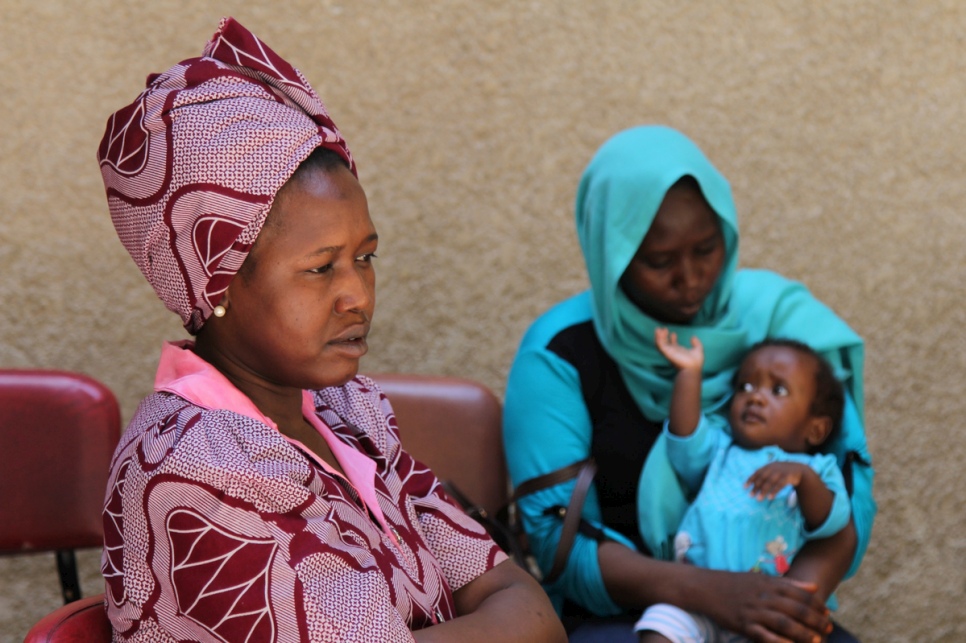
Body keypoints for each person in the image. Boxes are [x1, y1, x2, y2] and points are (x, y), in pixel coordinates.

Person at [97, 17, 565, 643]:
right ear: (219, 282)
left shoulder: (343, 413)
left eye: (364, 258)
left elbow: (529, 609)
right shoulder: (193, 471)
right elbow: (509, 617)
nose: (357, 295)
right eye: (320, 269)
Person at [503, 125, 875, 643]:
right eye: (659, 261)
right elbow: (558, 543)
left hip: (780, 599)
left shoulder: (780, 328)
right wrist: (716, 594)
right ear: (611, 254)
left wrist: (781, 612)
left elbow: (847, 496)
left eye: (706, 248)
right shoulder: (557, 355)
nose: (691, 278)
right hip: (626, 619)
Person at [635, 334, 852, 642]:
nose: (756, 397)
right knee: (658, 627)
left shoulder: (816, 469)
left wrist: (803, 478)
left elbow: (833, 519)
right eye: (746, 386)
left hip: (768, 609)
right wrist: (689, 372)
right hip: (698, 602)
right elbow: (683, 439)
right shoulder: (720, 451)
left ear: (815, 429)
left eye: (778, 390)